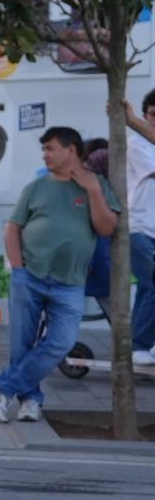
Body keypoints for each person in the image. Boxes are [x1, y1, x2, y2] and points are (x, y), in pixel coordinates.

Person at [0, 126, 120, 423]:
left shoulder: (96, 185)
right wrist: (18, 269)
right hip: (30, 277)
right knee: (22, 344)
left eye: (50, 148)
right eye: (43, 149)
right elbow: (13, 228)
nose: (45, 155)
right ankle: (30, 401)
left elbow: (106, 228)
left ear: (70, 150)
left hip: (70, 282)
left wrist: (94, 190)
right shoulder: (35, 188)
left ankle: (2, 385)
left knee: (61, 342)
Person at [114, 93, 155, 366]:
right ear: (143, 115)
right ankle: (140, 345)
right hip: (140, 227)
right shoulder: (137, 143)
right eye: (152, 114)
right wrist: (133, 124)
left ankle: (142, 344)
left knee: (146, 288)